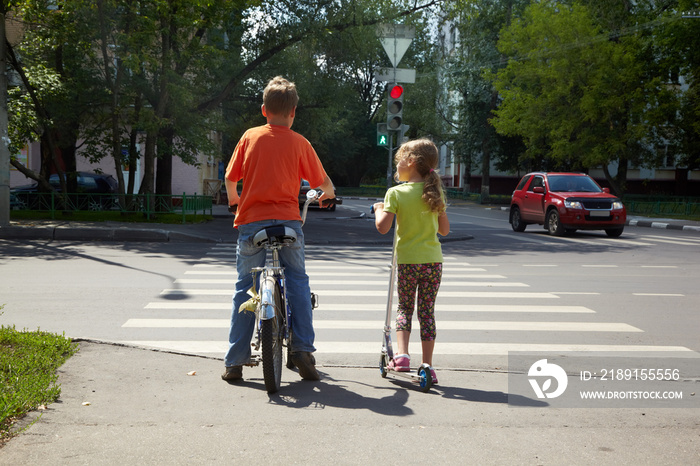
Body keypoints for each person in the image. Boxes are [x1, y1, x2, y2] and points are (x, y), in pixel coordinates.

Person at [222, 76, 336, 382]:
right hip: (288, 224)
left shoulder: (249, 137)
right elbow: (323, 184)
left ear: (263, 110)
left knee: (245, 287)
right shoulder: (300, 143)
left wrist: (235, 201)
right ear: (294, 112)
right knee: (297, 280)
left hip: (251, 225)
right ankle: (302, 349)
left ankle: (234, 361)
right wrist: (328, 195)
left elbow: (231, 179)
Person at [372, 138, 450, 384]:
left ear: (412, 163)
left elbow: (383, 228)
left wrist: (378, 209)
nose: (397, 166)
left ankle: (403, 356)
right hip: (433, 263)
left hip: (407, 262)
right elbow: (445, 230)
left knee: (405, 307)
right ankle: (427, 365)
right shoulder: (435, 194)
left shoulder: (395, 193)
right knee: (427, 312)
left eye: (399, 162)